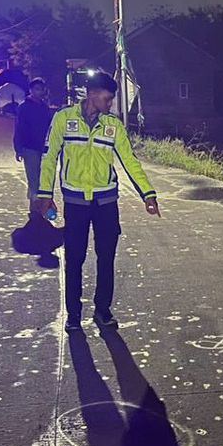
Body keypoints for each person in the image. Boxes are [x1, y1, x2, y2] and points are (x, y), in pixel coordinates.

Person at [37, 71, 160, 331]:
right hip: (76, 202)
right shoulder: (63, 118)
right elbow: (48, 158)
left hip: (106, 203)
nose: (110, 104)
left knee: (106, 257)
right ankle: (73, 315)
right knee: (75, 258)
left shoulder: (113, 125)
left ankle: (103, 311)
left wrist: (148, 194)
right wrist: (45, 195)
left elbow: (130, 161)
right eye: (107, 98)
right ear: (92, 94)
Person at [14, 77, 53, 203]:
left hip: (43, 147)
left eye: (41, 89)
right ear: (31, 90)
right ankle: (35, 207)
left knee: (43, 178)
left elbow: (50, 127)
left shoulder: (45, 108)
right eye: (37, 89)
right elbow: (19, 128)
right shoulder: (24, 108)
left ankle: (40, 206)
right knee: (33, 179)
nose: (39, 92)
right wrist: (18, 149)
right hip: (29, 147)